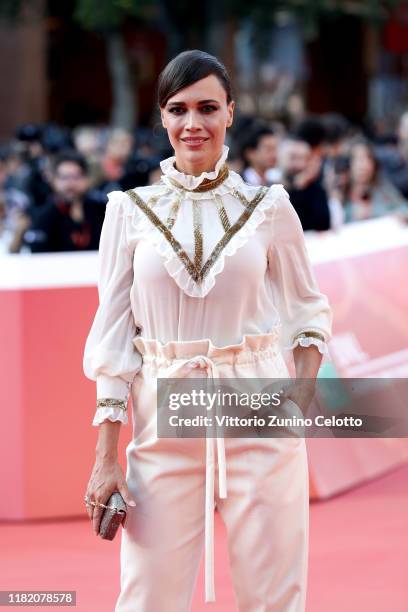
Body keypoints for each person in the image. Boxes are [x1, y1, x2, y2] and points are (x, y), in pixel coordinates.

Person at [83, 50, 332, 612]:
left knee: (273, 597)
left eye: (207, 108)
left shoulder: (268, 206)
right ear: (163, 119)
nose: (192, 123)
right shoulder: (127, 210)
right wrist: (105, 457)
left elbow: (308, 311)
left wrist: (300, 396)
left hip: (259, 411)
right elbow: (114, 337)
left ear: (230, 114)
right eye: (178, 109)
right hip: (163, 420)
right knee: (148, 597)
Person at [22, 150, 106, 252]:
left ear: (87, 179)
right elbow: (37, 254)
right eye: (64, 178)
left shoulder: (103, 211)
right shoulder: (43, 215)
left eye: (76, 177)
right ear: (53, 180)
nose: (70, 183)